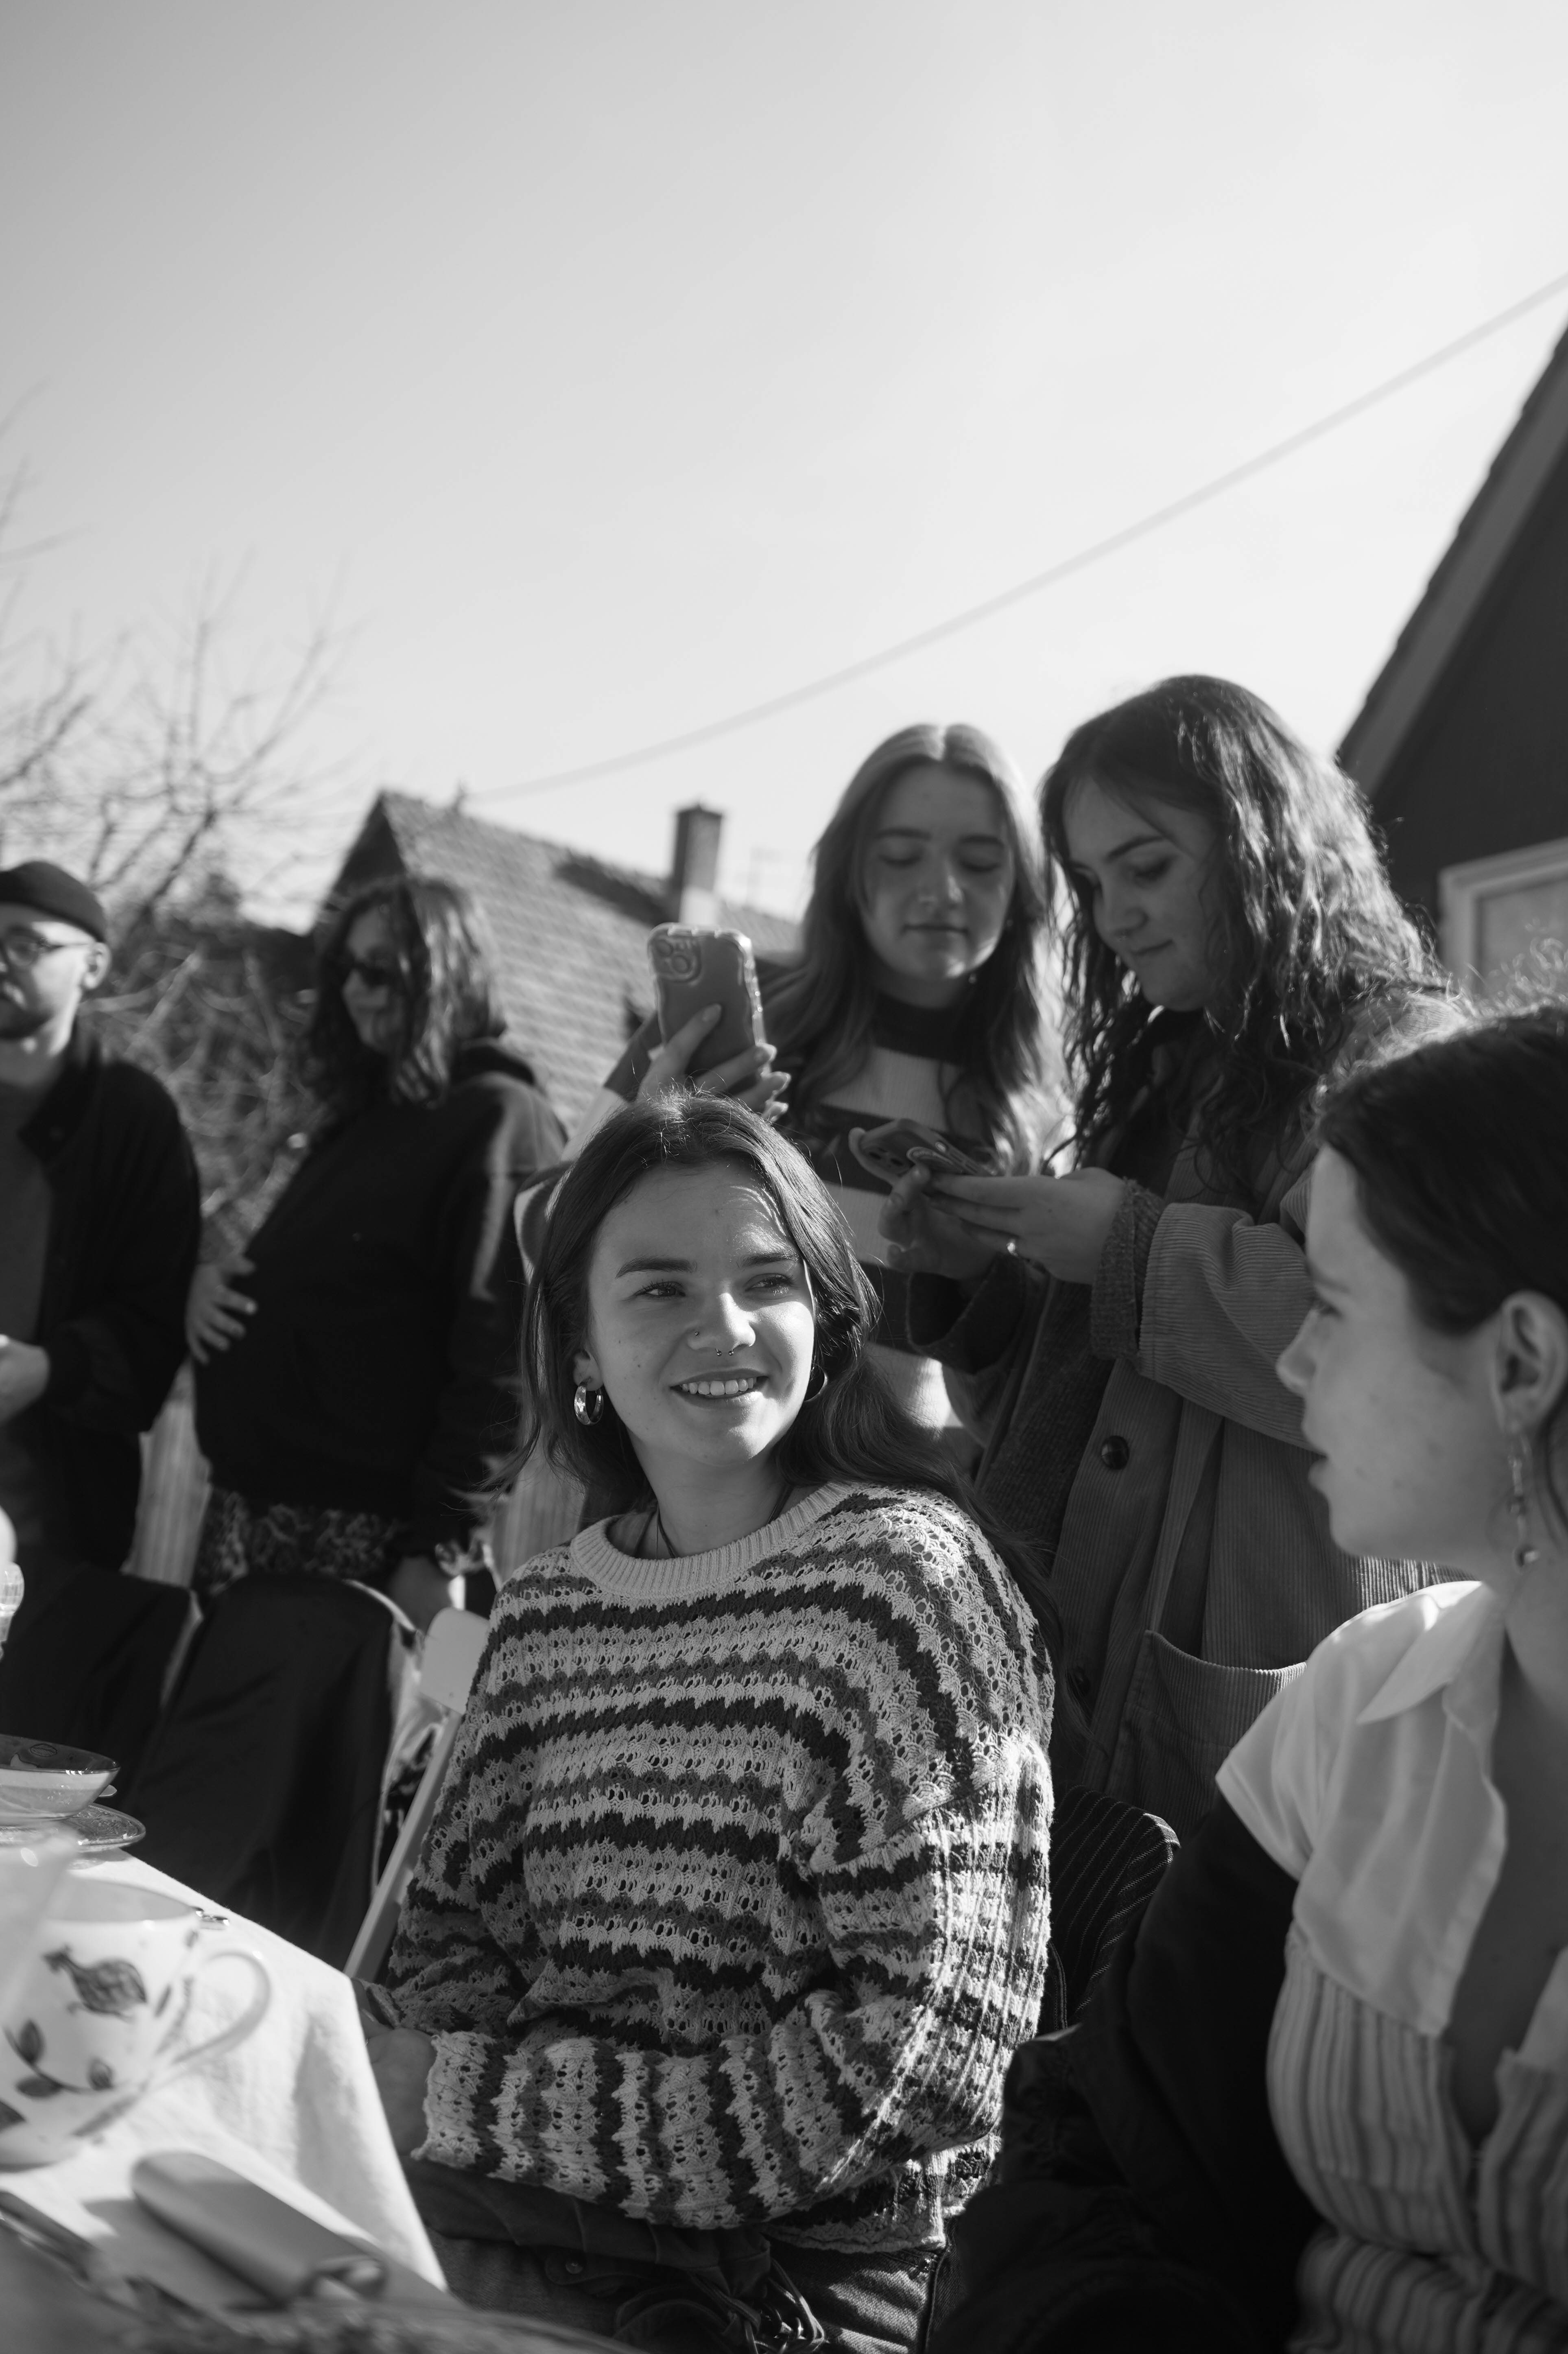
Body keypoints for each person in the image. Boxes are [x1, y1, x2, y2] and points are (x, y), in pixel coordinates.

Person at [931, 977, 1568, 2354]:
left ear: (1520, 1359)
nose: (1297, 1349)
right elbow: (1095, 2167)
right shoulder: (1353, 1705)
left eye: (1329, 1295)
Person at [363, 1094, 1053, 2354]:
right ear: (577, 1342)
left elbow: (925, 2057)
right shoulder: (555, 1607)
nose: (722, 1327)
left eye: (766, 1281)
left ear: (827, 1319)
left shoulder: (905, 1593)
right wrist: (458, 2100)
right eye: (660, 1289)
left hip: (805, 2279)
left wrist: (482, 2106)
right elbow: (455, 1939)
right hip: (537, 2203)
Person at [886, 675, 1437, 1834]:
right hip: (1056, 1663)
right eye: (1090, 884)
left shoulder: (1406, 1061)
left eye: (1146, 868)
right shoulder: (1162, 1068)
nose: (1114, 914)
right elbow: (1073, 1409)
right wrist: (984, 1278)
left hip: (1249, 1682)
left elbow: (1397, 1356)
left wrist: (1126, 1251)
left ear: (1261, 844)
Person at [585, 724, 1057, 1448]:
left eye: (981, 861)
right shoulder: (732, 1013)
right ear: (848, 873)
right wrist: (644, 1146)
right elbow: (537, 1230)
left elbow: (1022, 1386)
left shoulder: (1040, 1108)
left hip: (892, 1527)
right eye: (901, 856)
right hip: (689, 1497)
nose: (941, 889)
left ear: (1024, 888)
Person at [187, 876, 564, 1626]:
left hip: (370, 1550)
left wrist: (439, 1552)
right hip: (250, 1527)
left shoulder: (500, 1119)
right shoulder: (362, 1115)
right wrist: (200, 1284)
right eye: (347, 970)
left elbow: (504, 1360)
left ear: (450, 974)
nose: (358, 990)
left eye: (383, 969)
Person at [0, 859, 199, 1567]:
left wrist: (53, 1368)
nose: (1, 960)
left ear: (93, 966)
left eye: (26, 943)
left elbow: (159, 1318)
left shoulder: (134, 1122)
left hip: (53, 1531)